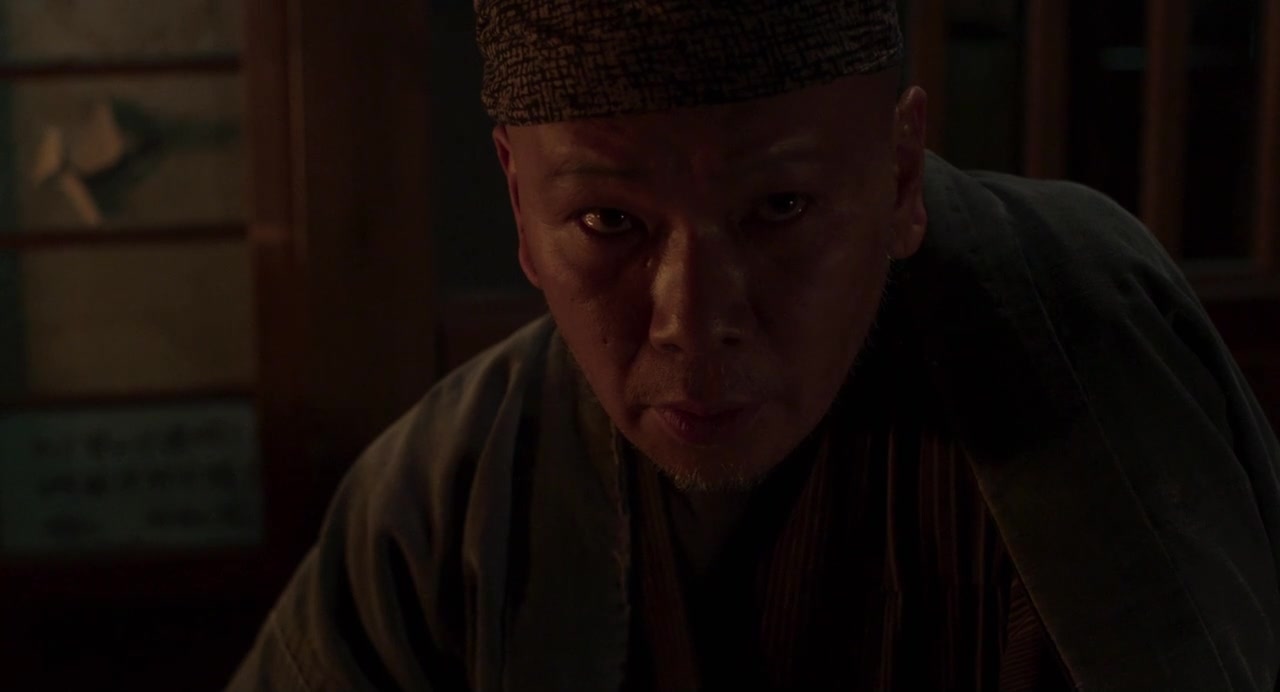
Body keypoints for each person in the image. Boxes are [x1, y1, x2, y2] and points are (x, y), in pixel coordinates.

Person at [228, 1, 1280, 690]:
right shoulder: (444, 498)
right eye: (608, 221)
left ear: (900, 176)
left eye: (779, 207)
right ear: (520, 202)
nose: (692, 318)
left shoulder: (1075, 330)